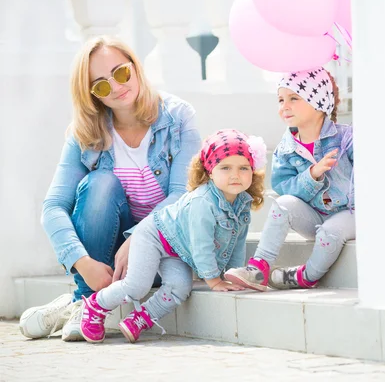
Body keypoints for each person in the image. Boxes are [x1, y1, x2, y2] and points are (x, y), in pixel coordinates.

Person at [18, 35, 201, 341]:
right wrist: (82, 262)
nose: (116, 87)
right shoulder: (85, 133)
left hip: (165, 251)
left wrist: (139, 237)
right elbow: (53, 207)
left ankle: (79, 304)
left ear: (135, 66)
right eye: (101, 85)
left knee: (115, 192)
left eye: (121, 73)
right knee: (100, 183)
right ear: (92, 95)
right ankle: (87, 299)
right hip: (111, 262)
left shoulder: (178, 117)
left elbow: (183, 194)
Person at [79, 129, 266, 343]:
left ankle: (142, 317)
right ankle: (96, 304)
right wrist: (214, 280)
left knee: (180, 287)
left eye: (244, 168)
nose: (235, 175)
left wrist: (233, 275)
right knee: (137, 286)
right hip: (155, 235)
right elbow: (201, 245)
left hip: (178, 250)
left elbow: (237, 242)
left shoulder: (242, 204)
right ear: (210, 171)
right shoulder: (202, 202)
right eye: (225, 167)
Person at [225, 66, 355, 291]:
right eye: (280, 99)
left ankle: (307, 276)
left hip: (350, 214)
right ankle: (259, 268)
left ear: (319, 101)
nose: (284, 106)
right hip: (314, 215)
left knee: (331, 231)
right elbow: (285, 190)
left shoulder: (346, 138)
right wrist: (311, 175)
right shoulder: (286, 149)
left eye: (294, 98)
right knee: (283, 204)